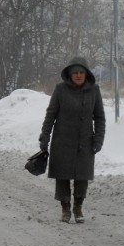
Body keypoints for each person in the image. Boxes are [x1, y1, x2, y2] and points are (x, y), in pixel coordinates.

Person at [38, 56, 106, 223]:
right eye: (75, 72)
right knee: (62, 175)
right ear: (69, 74)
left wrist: (98, 139)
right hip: (62, 140)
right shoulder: (60, 90)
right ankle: (65, 208)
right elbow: (51, 114)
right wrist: (44, 137)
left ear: (86, 74)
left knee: (82, 176)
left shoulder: (94, 91)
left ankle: (78, 207)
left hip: (85, 142)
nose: (78, 75)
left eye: (81, 72)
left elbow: (99, 117)